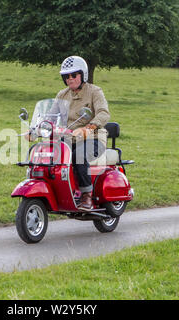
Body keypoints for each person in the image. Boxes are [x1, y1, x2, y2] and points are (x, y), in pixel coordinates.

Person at [56, 56, 110, 211]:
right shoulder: (62, 95)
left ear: (82, 74)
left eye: (73, 75)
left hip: (94, 138)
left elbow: (104, 113)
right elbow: (51, 116)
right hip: (69, 140)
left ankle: (87, 196)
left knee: (79, 155)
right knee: (47, 156)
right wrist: (36, 128)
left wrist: (89, 128)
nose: (70, 79)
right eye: (66, 76)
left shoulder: (94, 92)